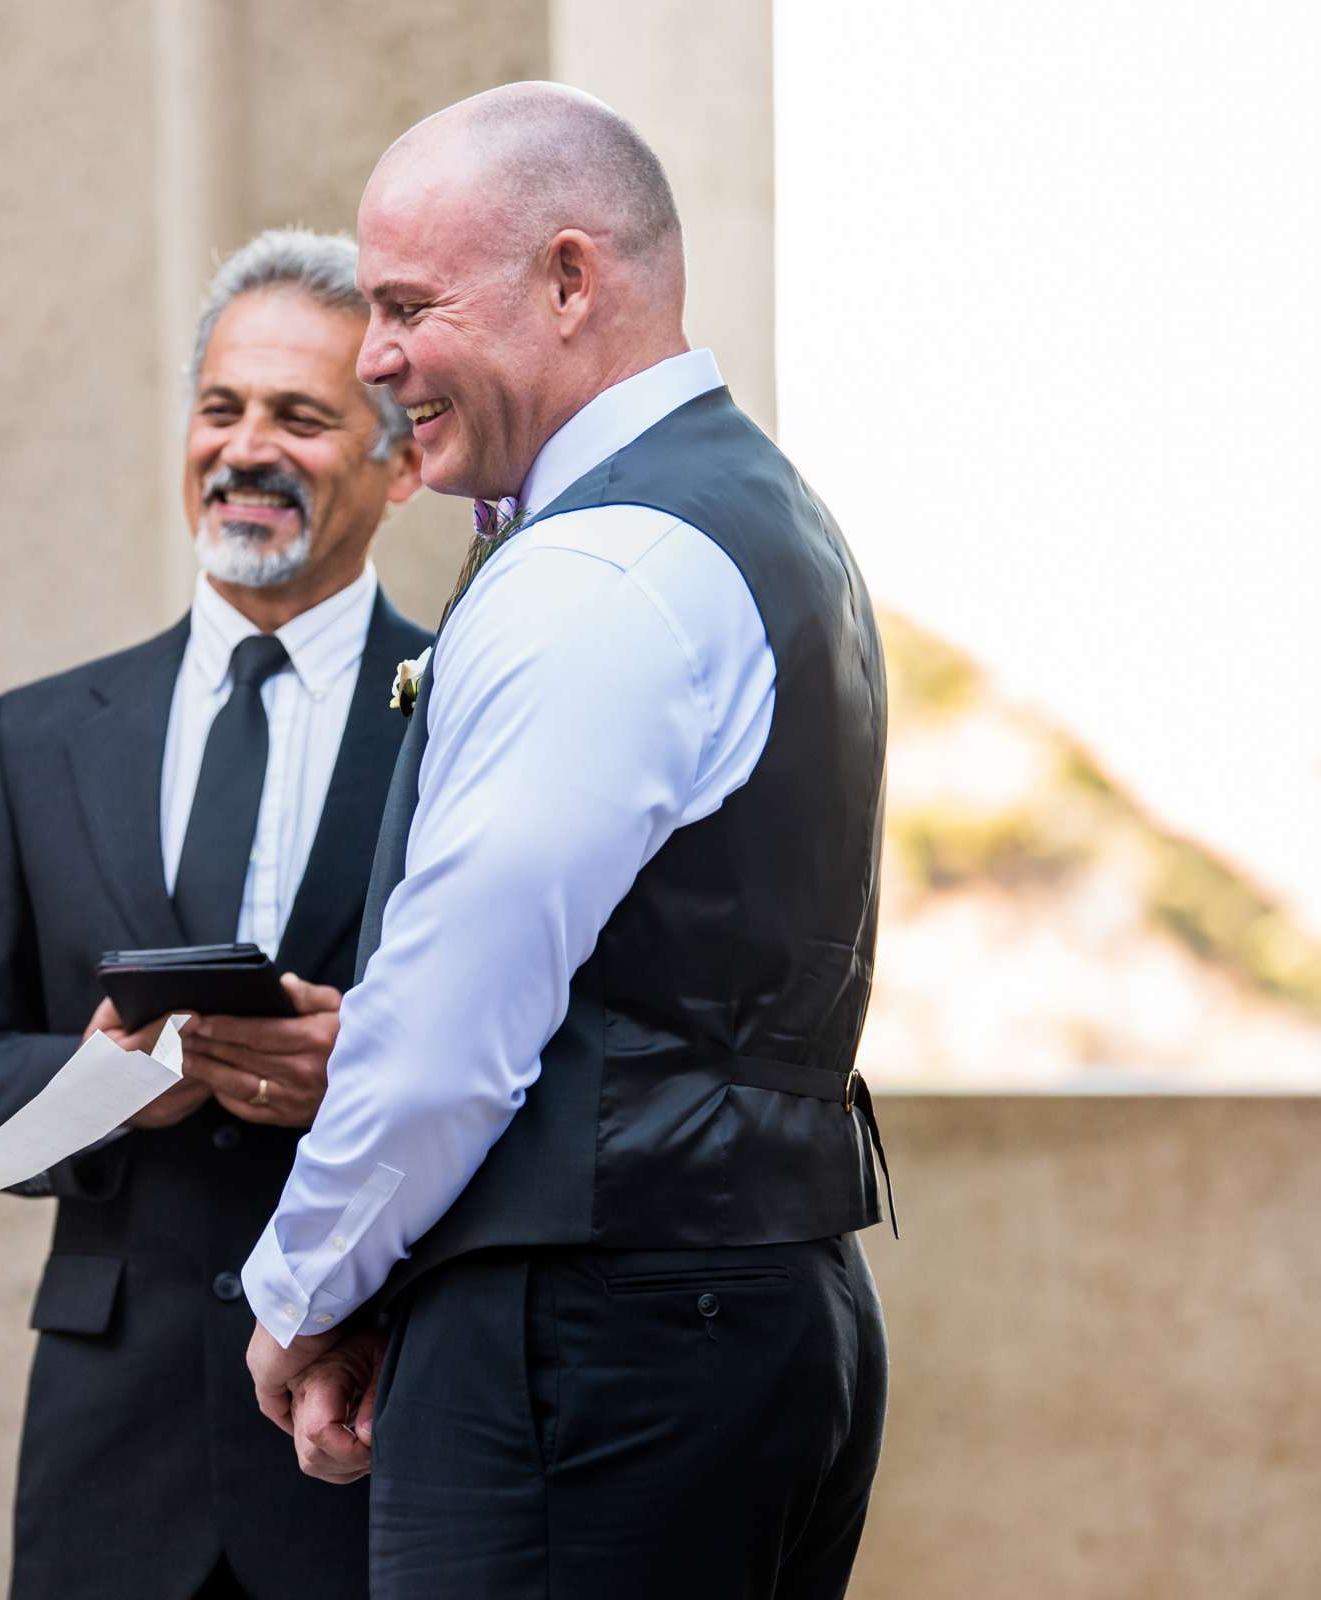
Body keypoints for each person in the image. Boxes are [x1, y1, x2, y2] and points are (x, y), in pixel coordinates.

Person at [238, 85, 894, 1597]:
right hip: (757, 1307)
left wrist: (303, 1291)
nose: (374, 354)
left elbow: (455, 1016)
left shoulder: (602, 562)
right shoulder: (766, 521)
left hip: (605, 1349)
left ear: (572, 278)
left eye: (407, 303)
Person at [0, 230, 428, 1600]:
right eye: (220, 408)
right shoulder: (42, 736)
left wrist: (360, 1066)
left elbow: (555, 1047)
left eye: (301, 417)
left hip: (375, 1426)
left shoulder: (472, 706)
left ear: (401, 461)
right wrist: (108, 1087)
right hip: (106, 1455)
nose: (246, 448)